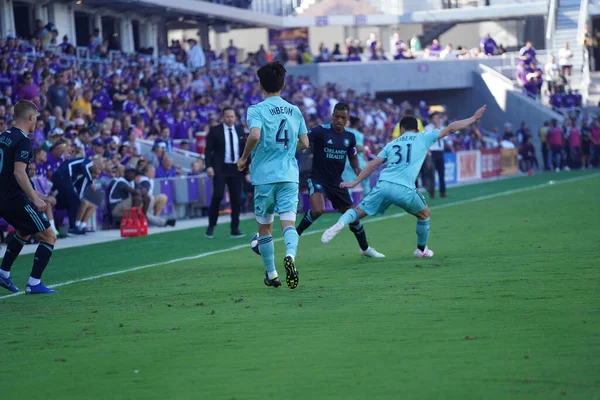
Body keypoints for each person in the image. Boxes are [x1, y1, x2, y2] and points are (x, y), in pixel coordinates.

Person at [321, 105, 487, 258]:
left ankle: (341, 223)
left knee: (357, 212)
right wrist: (473, 119)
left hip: (383, 185)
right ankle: (421, 249)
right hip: (404, 188)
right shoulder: (423, 137)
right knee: (424, 214)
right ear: (416, 129)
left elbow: (373, 164)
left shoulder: (391, 143)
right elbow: (451, 128)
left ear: (401, 129)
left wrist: (354, 182)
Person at [236, 62, 310, 289]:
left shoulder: (256, 109)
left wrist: (243, 157)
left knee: (264, 227)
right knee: (288, 222)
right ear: (283, 84)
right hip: (288, 175)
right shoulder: (295, 110)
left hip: (265, 176)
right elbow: (305, 143)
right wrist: (287, 151)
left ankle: (273, 274)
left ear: (260, 85)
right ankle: (290, 255)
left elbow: (255, 135)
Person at [295, 103, 384, 258]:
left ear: (347, 119)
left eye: (343, 117)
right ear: (332, 116)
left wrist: (357, 170)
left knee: (352, 215)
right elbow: (303, 141)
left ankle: (365, 248)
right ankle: (296, 233)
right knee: (318, 210)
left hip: (337, 182)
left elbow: (352, 155)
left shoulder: (349, 137)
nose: (339, 120)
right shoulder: (320, 131)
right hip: (317, 178)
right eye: (336, 116)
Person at [0, 100, 57, 294]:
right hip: (15, 199)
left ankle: (4, 272)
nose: (36, 122)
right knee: (49, 236)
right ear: (31, 117)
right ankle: (34, 283)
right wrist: (35, 198)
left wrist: (35, 193)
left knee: (24, 230)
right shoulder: (23, 140)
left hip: (3, 198)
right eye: (36, 118)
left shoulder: (4, 136)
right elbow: (19, 172)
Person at [204, 106, 247, 238]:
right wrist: (209, 166)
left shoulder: (240, 130)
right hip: (220, 168)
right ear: (223, 117)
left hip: (236, 169)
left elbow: (246, 150)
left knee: (236, 199)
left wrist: (247, 168)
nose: (230, 119)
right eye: (227, 116)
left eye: (232, 116)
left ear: (235, 117)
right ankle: (211, 226)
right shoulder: (215, 131)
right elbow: (208, 150)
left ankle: (235, 228)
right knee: (217, 196)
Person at [342, 116, 370, 194]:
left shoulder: (344, 131)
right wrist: (364, 149)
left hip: (348, 163)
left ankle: (347, 206)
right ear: (357, 124)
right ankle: (369, 205)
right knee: (366, 185)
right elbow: (358, 148)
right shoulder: (359, 134)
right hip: (360, 163)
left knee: (347, 187)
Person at [424, 112, 449, 199]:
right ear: (431, 119)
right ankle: (432, 193)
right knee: (431, 174)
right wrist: (437, 130)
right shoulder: (427, 128)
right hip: (432, 152)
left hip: (440, 152)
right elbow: (428, 139)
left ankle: (443, 192)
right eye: (435, 118)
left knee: (442, 173)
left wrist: (439, 129)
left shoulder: (442, 127)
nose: (437, 120)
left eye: (438, 118)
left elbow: (446, 138)